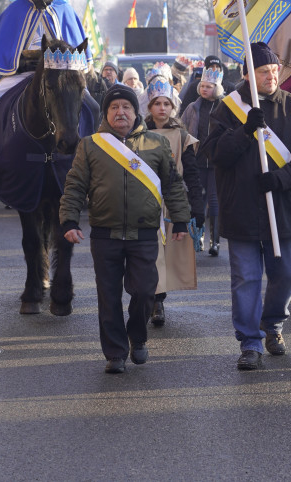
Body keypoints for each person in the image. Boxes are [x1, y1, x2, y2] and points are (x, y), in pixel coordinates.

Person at [199, 42, 291, 370]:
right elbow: (216, 153)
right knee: (246, 278)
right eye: (264, 72)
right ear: (247, 74)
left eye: (275, 71)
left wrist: (281, 179)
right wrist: (245, 131)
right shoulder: (227, 109)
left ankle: (274, 324)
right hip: (242, 210)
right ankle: (250, 343)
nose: (272, 77)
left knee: (285, 273)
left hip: (284, 209)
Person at [59, 84, 191, 374]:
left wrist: (181, 220)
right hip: (105, 235)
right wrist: (68, 220)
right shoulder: (90, 144)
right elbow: (75, 185)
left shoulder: (156, 143)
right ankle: (115, 353)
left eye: (126, 107)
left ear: (136, 111)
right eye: (114, 107)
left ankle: (138, 336)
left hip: (144, 234)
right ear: (106, 113)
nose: (121, 112)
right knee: (108, 296)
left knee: (144, 292)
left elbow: (172, 186)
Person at [144, 79, 205, 327]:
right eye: (156, 103)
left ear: (172, 107)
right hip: (145, 202)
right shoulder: (138, 135)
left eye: (165, 103)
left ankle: (158, 299)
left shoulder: (182, 136)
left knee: (166, 254)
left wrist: (197, 206)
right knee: (149, 253)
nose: (161, 108)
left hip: (172, 203)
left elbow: (191, 172)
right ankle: (151, 297)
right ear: (149, 107)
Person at [181, 66, 225, 256]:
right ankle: (197, 235)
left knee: (214, 202)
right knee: (198, 198)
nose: (205, 89)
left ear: (217, 87)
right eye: (203, 85)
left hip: (216, 161)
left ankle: (215, 242)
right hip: (197, 160)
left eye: (209, 86)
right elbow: (182, 129)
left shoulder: (225, 106)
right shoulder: (193, 107)